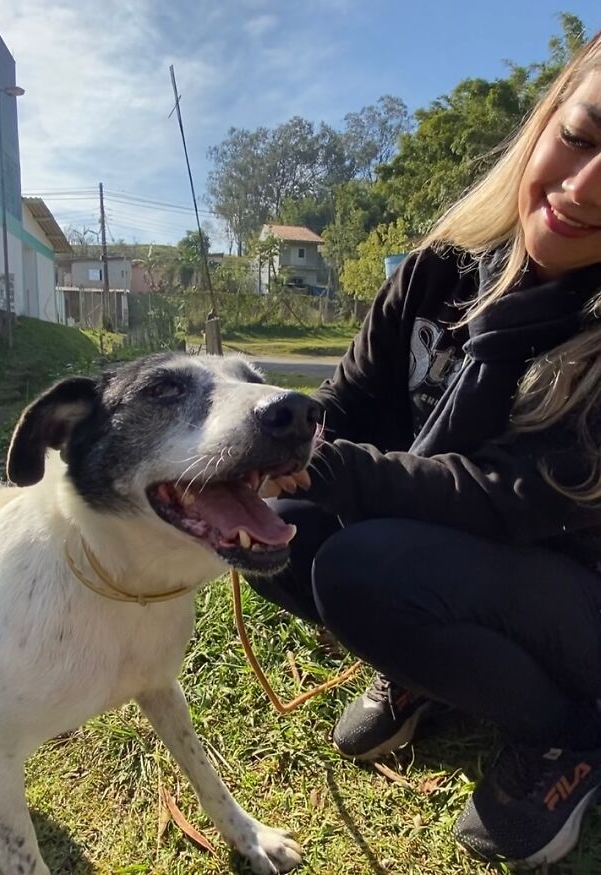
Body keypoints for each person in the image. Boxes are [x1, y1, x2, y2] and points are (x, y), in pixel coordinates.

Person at [247, 30, 601, 868]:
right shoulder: (438, 269)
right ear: (545, 122)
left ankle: (569, 734)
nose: (583, 189)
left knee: (362, 569)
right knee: (279, 522)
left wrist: (324, 463)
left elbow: (494, 496)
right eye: (581, 138)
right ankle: (433, 673)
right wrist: (263, 448)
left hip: (578, 596)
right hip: (462, 554)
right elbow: (348, 406)